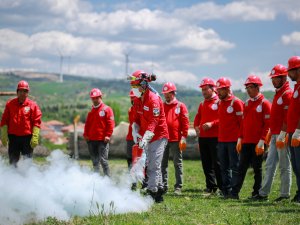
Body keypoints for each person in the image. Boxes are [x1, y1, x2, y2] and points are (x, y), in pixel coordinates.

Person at [128, 70, 169, 203]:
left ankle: (152, 192)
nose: (133, 90)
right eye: (132, 87)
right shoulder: (138, 99)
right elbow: (136, 117)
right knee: (152, 162)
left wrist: (145, 138)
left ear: (144, 85)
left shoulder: (154, 99)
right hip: (147, 135)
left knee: (153, 165)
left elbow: (154, 122)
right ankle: (160, 189)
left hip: (158, 135)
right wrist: (135, 128)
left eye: (135, 86)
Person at [255, 65, 292, 201]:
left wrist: (283, 134)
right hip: (275, 134)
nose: (273, 81)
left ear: (284, 77)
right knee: (269, 164)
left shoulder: (287, 94)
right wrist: (271, 131)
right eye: (272, 79)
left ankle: (284, 194)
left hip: (283, 135)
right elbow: (275, 117)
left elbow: (287, 116)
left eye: (276, 78)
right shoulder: (278, 94)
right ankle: (263, 193)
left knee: (284, 165)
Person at [231, 75, 271, 199]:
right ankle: (234, 193)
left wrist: (262, 141)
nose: (248, 90)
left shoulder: (265, 104)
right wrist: (240, 138)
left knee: (257, 169)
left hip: (258, 143)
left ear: (257, 87)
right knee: (241, 168)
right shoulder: (247, 103)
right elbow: (243, 123)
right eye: (247, 87)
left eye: (250, 87)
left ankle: (256, 192)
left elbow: (268, 125)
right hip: (246, 142)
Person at [0, 80, 42, 166]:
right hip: (13, 138)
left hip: (27, 139)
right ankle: (13, 178)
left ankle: (27, 178)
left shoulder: (33, 105)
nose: (22, 93)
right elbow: (4, 120)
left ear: (27, 93)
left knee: (27, 163)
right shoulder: (10, 104)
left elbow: (36, 121)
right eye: (21, 91)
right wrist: (3, 134)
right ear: (17, 92)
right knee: (13, 162)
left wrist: (35, 136)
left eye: (25, 91)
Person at [215, 77, 243, 198]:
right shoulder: (220, 102)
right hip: (221, 140)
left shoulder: (236, 102)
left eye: (221, 90)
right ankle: (226, 190)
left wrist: (240, 138)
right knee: (224, 167)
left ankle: (234, 192)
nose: (218, 92)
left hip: (233, 140)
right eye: (217, 90)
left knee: (235, 166)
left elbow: (242, 122)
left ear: (227, 89)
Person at [194, 78, 222, 194]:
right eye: (202, 90)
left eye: (206, 89)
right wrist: (196, 126)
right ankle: (211, 186)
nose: (203, 92)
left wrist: (212, 124)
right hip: (203, 137)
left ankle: (221, 187)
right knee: (206, 163)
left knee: (217, 163)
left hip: (215, 137)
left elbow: (223, 119)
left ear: (213, 89)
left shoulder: (219, 102)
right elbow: (198, 117)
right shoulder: (202, 103)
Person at [161, 82, 189, 195]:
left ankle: (178, 187)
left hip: (176, 139)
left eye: (168, 93)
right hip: (163, 139)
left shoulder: (180, 106)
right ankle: (163, 186)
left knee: (177, 163)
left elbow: (185, 122)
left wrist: (184, 136)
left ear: (173, 93)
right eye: (165, 94)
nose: (166, 96)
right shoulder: (162, 106)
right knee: (163, 164)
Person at [83, 88, 115, 176]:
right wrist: (85, 134)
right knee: (95, 162)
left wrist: (108, 135)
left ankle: (107, 181)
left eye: (96, 98)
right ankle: (96, 181)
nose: (94, 100)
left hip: (102, 140)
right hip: (91, 140)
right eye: (93, 98)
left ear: (100, 97)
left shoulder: (107, 109)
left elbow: (111, 124)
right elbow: (87, 124)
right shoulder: (91, 110)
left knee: (103, 161)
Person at [286, 56, 300, 203]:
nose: (289, 74)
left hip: (298, 132)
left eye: (291, 70)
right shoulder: (297, 87)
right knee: (296, 165)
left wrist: (298, 130)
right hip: (292, 131)